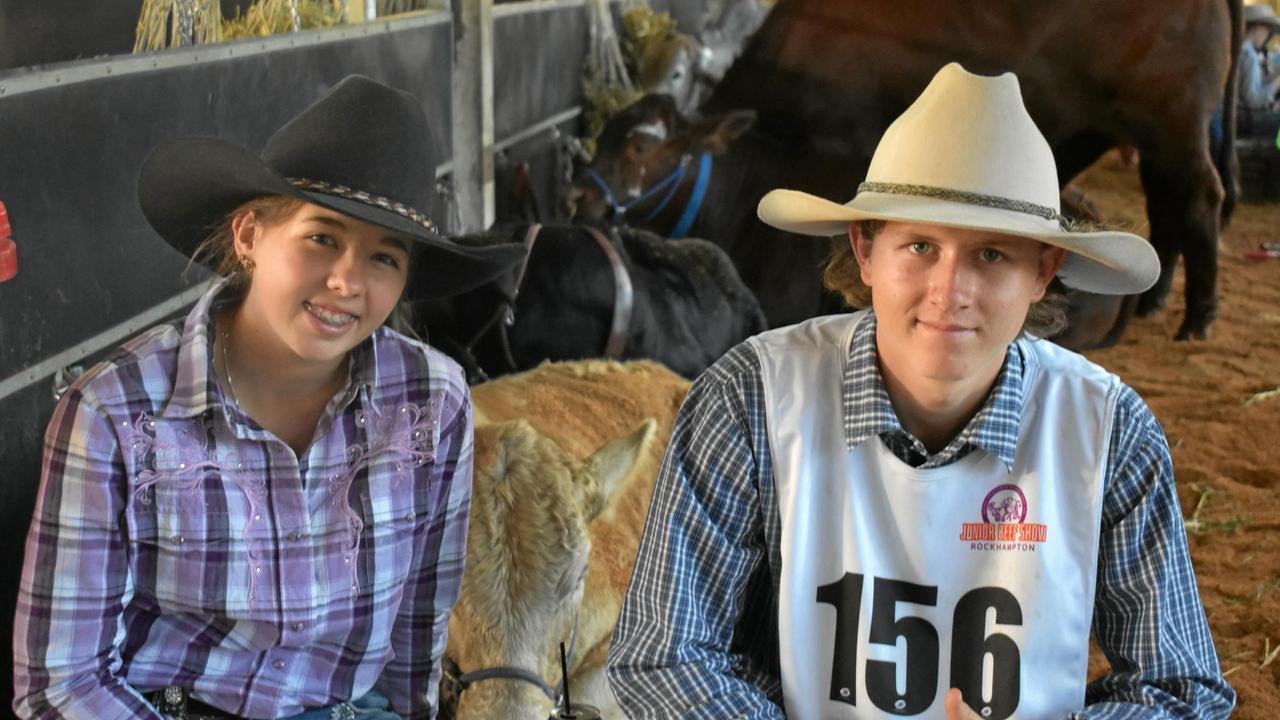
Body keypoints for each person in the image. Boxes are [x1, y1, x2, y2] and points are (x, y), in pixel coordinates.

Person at [607, 63, 1236, 719]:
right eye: (920, 246)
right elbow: (664, 656)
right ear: (866, 250)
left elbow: (1179, 688)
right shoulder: (750, 399)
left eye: (993, 254)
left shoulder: (1109, 433)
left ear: (1043, 273)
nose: (949, 292)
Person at [11, 76, 526, 719]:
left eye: (385, 259)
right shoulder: (117, 412)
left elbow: (417, 634)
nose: (346, 282)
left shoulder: (432, 402)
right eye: (322, 238)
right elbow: (63, 683)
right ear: (250, 235)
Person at [1238, 3, 1280, 136]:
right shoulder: (1249, 54)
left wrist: (1274, 76)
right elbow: (1253, 100)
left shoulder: (1242, 50)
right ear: (1257, 28)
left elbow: (1252, 86)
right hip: (1244, 118)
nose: (1268, 35)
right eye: (1267, 30)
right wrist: (1277, 82)